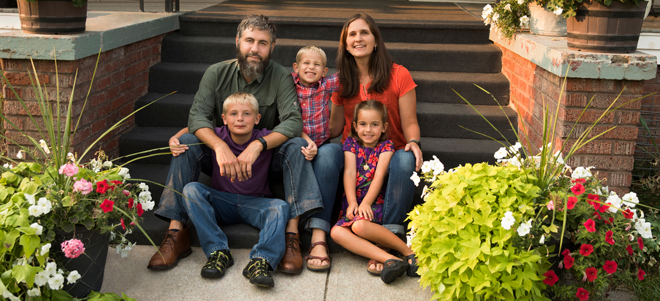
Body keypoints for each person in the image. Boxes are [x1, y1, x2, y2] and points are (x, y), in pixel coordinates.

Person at [148, 15, 323, 275]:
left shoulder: (279, 76)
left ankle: (291, 235)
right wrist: (219, 147)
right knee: (187, 141)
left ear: (272, 47)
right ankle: (176, 231)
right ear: (238, 42)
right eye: (250, 40)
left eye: (263, 43)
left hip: (264, 160)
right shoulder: (216, 73)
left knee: (296, 144)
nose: (255, 48)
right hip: (220, 160)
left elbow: (293, 122)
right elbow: (197, 118)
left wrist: (258, 145)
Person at [329, 13, 423, 274]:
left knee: (404, 158)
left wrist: (413, 141)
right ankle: (318, 232)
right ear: (346, 45)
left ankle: (391, 240)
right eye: (352, 34)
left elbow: (410, 122)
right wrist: (303, 133)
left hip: (390, 151)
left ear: (375, 41)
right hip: (356, 154)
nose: (358, 38)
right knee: (325, 154)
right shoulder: (341, 80)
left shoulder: (398, 74)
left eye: (364, 33)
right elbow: (335, 129)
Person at [178, 92, 287, 288]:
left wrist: (309, 141)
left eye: (246, 114)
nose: (239, 119)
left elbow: (292, 130)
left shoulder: (264, 137)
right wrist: (174, 138)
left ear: (257, 118)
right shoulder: (217, 135)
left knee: (280, 207)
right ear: (224, 119)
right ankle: (218, 251)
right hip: (222, 202)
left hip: (256, 203)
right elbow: (191, 127)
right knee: (191, 190)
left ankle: (261, 260)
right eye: (233, 114)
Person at [330, 100, 418, 284]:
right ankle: (390, 260)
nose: (368, 130)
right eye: (363, 124)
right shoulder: (351, 144)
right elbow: (349, 172)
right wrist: (353, 202)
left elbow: (378, 177)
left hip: (374, 205)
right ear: (354, 126)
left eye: (374, 124)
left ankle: (409, 252)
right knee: (336, 233)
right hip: (354, 205)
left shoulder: (386, 147)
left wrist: (366, 203)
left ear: (384, 127)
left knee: (360, 226)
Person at [291, 46, 343, 272]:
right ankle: (293, 224)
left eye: (317, 64)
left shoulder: (327, 84)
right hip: (297, 143)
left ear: (324, 71)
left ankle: (318, 233)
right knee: (296, 150)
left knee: (330, 155)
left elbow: (350, 74)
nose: (311, 67)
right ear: (296, 68)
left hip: (321, 143)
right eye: (306, 63)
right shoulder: (288, 85)